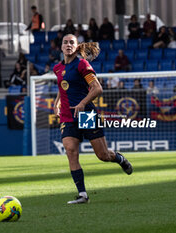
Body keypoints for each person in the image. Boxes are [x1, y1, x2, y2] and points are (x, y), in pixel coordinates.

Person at [52, 34, 132, 204]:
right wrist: (57, 102)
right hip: (68, 116)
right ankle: (82, 195)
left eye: (71, 42)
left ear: (76, 46)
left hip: (86, 114)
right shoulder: (57, 68)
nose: (68, 45)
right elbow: (63, 85)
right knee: (71, 150)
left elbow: (97, 88)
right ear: (61, 47)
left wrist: (82, 103)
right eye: (65, 42)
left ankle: (119, 159)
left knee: (103, 155)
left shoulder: (82, 64)